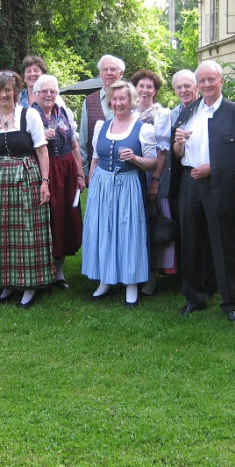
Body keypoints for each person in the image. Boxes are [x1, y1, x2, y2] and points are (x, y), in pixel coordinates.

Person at [172, 60, 235, 321]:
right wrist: (178, 145)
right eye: (202, 81)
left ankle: (230, 303)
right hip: (188, 182)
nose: (206, 85)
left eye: (211, 80)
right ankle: (194, 298)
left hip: (218, 184)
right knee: (190, 242)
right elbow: (176, 152)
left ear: (221, 81)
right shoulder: (187, 111)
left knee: (222, 241)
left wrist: (213, 168)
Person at [82, 80, 157, 307]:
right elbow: (95, 158)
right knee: (103, 230)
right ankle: (105, 279)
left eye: (122, 98)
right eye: (113, 99)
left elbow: (153, 163)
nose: (117, 103)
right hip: (103, 186)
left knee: (128, 232)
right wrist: (92, 183)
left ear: (131, 100)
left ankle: (131, 283)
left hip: (129, 186)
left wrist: (135, 158)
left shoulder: (144, 128)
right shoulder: (101, 126)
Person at [0, 71, 55, 308]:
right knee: (3, 231)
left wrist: (45, 182)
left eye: (7, 90)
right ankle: (7, 282)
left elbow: (42, 151)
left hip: (27, 176)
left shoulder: (29, 115)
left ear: (16, 92)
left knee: (28, 230)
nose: (3, 95)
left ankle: (30, 283)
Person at [32, 74, 84, 289]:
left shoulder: (63, 112)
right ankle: (43, 271)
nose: (49, 94)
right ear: (36, 94)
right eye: (44, 91)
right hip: (44, 171)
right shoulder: (29, 115)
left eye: (53, 91)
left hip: (67, 170)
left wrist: (80, 173)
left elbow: (74, 145)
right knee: (48, 220)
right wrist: (39, 134)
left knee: (65, 219)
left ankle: (60, 272)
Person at [130, 69, 176, 295]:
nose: (145, 91)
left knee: (153, 222)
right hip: (132, 176)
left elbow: (162, 151)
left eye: (149, 87)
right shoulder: (129, 112)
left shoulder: (161, 114)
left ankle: (151, 275)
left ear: (156, 91)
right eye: (141, 86)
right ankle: (134, 271)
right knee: (135, 225)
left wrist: (155, 181)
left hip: (152, 173)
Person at [78, 54, 125, 178]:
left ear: (120, 74)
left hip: (125, 169)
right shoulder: (89, 101)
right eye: (105, 69)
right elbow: (83, 140)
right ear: (100, 74)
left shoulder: (130, 100)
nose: (108, 73)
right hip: (97, 169)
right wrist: (85, 171)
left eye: (113, 69)